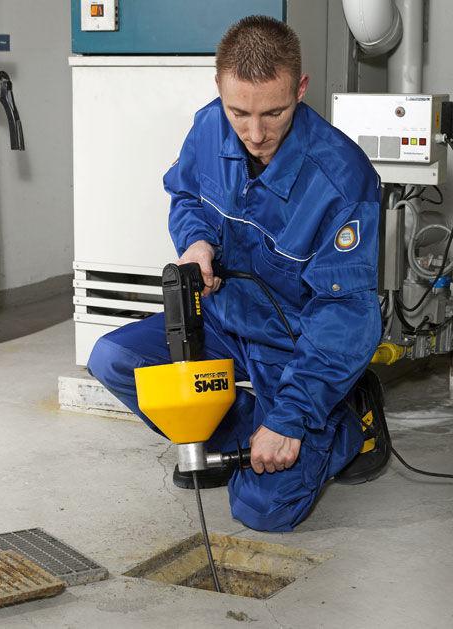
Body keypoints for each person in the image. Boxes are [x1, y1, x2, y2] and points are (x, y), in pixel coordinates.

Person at [87, 15, 390, 532]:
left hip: (292, 344)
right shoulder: (209, 126)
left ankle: (343, 423)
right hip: (222, 320)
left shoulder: (343, 180)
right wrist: (196, 242)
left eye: (275, 112)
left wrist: (290, 417)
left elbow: (344, 317)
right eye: (239, 113)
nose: (255, 134)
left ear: (300, 88)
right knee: (114, 359)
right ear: (219, 89)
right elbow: (186, 195)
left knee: (262, 509)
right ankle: (253, 436)